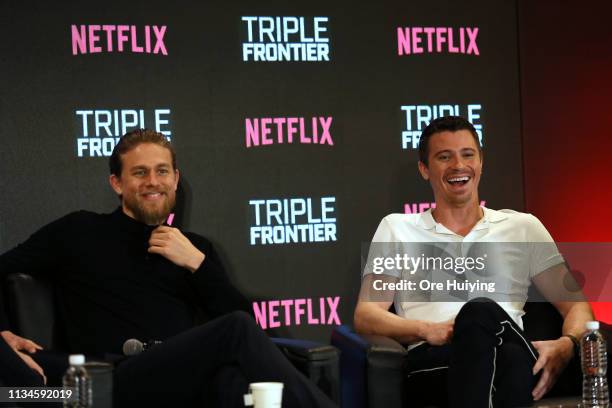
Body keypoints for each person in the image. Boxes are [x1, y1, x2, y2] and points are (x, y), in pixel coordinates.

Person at [0, 129, 336, 408]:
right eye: (139, 172)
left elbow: (250, 328)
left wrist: (198, 265)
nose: (153, 181)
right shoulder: (78, 230)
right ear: (117, 183)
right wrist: (1, 337)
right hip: (109, 379)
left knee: (233, 383)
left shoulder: (196, 248)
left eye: (162, 171)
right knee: (234, 331)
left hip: (180, 378)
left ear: (175, 179)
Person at [354, 116, 593, 407]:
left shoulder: (523, 227)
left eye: (468, 154)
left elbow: (577, 305)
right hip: (438, 359)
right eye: (444, 157)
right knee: (481, 320)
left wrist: (567, 343)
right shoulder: (396, 228)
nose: (458, 165)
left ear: (481, 163)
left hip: (509, 350)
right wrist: (428, 330)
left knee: (483, 317)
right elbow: (366, 315)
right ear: (424, 169)